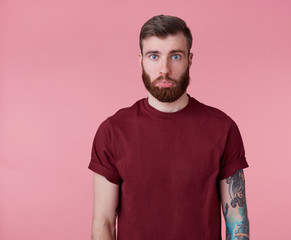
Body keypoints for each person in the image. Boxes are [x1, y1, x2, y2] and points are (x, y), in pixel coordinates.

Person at [88, 15, 250, 240]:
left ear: (189, 60)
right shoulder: (113, 132)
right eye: (154, 56)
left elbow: (236, 220)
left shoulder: (223, 129)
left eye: (175, 56)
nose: (164, 69)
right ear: (141, 60)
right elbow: (104, 223)